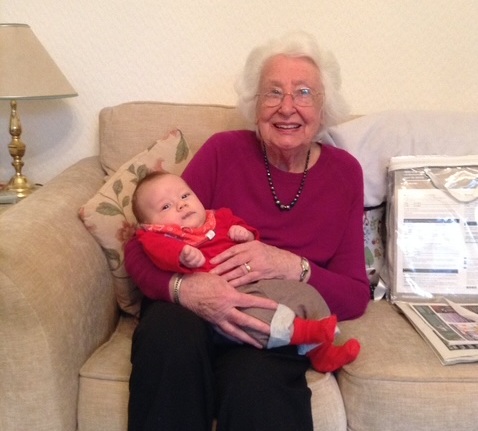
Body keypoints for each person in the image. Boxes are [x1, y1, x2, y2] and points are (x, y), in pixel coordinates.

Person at [125, 31, 370, 431]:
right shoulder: (223, 151)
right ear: (255, 105)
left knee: (257, 384)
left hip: (268, 322)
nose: (286, 107)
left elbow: (356, 294)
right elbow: (140, 245)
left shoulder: (344, 173)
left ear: (324, 108)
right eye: (273, 93)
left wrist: (294, 267)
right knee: (168, 336)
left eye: (303, 92)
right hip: (190, 308)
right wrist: (186, 290)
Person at [131, 171, 360, 372]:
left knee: (306, 293)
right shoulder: (160, 237)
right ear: (150, 225)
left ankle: (323, 352)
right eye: (165, 206)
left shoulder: (218, 217)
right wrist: (181, 255)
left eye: (185, 196)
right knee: (252, 317)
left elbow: (245, 228)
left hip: (259, 279)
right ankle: (300, 333)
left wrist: (245, 233)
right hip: (224, 296)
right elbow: (154, 251)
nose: (181, 205)